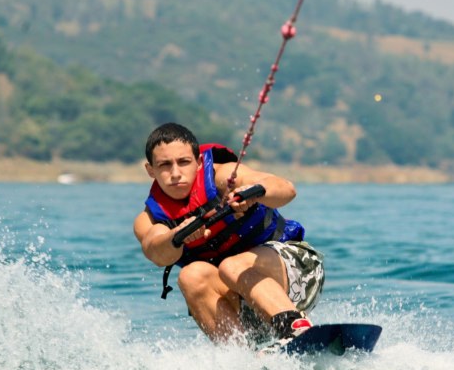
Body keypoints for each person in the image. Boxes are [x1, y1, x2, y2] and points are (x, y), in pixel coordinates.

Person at [133, 123, 325, 354]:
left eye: (183, 162)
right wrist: (178, 234)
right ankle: (240, 361)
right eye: (164, 165)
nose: (175, 173)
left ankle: (296, 327)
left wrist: (253, 193)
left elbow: (286, 189)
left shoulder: (223, 175)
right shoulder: (150, 219)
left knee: (231, 266)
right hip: (247, 309)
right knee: (190, 275)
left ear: (198, 161)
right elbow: (156, 251)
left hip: (298, 277)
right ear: (150, 170)